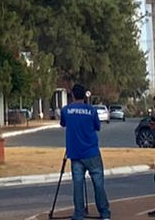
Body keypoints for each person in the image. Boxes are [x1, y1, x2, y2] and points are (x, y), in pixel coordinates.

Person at [59, 83, 110, 220]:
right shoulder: (91, 110)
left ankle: (78, 214)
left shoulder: (66, 110)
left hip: (75, 153)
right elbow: (97, 127)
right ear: (84, 95)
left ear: (73, 95)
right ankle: (104, 213)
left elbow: (63, 123)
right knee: (98, 184)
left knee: (78, 185)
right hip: (92, 151)